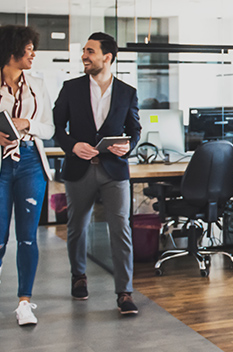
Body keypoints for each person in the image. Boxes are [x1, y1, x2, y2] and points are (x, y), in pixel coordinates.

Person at [53, 32, 141, 315]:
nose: (84, 56)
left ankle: (124, 293)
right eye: (84, 51)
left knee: (121, 230)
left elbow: (135, 130)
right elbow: (56, 129)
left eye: (90, 51)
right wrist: (73, 145)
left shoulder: (127, 92)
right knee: (77, 226)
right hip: (79, 169)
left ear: (107, 57)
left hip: (114, 171)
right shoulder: (71, 88)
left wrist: (127, 147)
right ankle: (78, 276)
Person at [0, 25, 54, 326]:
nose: (33, 53)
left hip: (31, 161)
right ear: (12, 50)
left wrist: (27, 123)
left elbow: (50, 128)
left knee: (27, 237)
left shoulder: (36, 85)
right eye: (29, 47)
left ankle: (24, 302)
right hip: (2, 165)